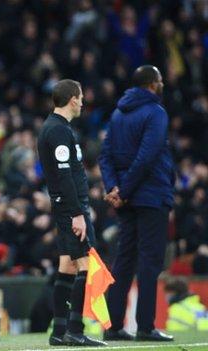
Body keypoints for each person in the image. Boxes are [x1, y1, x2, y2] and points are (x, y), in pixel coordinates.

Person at [98, 65, 175, 342]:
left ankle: (114, 325)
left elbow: (105, 155)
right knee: (149, 261)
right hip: (151, 196)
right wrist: (126, 190)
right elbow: (147, 156)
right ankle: (145, 326)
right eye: (161, 80)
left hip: (127, 200)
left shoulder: (118, 114)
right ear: (153, 84)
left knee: (123, 260)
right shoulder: (156, 113)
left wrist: (114, 189)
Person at [36, 79, 106, 347]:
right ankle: (75, 330)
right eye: (81, 97)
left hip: (68, 206)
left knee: (66, 265)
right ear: (73, 99)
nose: (83, 102)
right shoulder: (57, 131)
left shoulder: (58, 128)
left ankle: (59, 330)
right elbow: (64, 175)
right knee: (86, 265)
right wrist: (77, 213)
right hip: (71, 208)